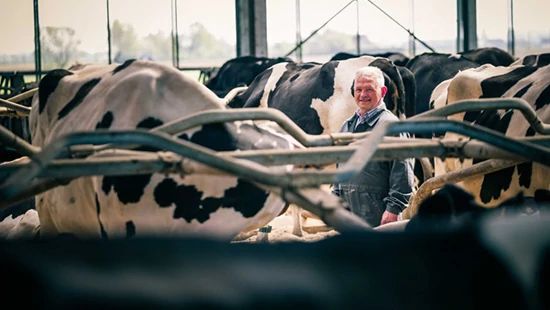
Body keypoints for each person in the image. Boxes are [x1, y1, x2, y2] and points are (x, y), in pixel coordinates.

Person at [332, 66, 414, 227]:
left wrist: (393, 209)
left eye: (369, 89)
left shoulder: (391, 127)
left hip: (379, 211)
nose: (363, 95)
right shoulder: (346, 126)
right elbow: (339, 166)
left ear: (383, 92)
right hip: (349, 210)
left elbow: (403, 171)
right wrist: (336, 199)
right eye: (358, 89)